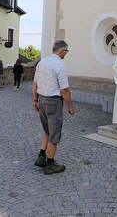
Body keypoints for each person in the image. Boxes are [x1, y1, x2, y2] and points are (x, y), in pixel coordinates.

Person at [32, 40, 75, 175]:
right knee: (54, 134)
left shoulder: (42, 62)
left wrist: (35, 100)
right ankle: (50, 164)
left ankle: (41, 156)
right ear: (62, 51)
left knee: (47, 130)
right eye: (66, 52)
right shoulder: (60, 65)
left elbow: (35, 84)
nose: (66, 54)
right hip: (53, 102)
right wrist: (70, 106)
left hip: (42, 100)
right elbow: (65, 90)